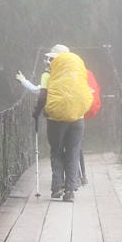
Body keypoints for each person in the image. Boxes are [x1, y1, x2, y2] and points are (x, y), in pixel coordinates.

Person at [31, 44, 92, 202]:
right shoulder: (78, 73)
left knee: (56, 151)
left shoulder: (48, 74)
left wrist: (36, 112)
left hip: (56, 119)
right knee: (73, 152)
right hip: (77, 118)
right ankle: (70, 192)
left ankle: (57, 187)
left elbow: (42, 97)